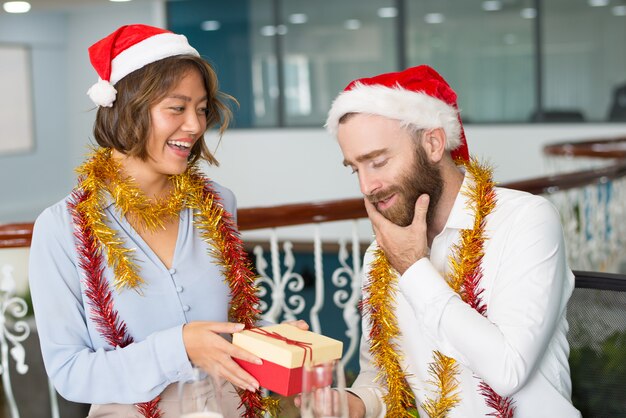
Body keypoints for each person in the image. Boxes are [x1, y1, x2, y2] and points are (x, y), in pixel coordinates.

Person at [28, 24, 302, 418]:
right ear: (127, 109)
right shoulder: (62, 228)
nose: (194, 125)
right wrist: (179, 347)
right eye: (177, 108)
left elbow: (220, 327)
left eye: (202, 109)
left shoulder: (220, 203)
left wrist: (270, 341)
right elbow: (70, 373)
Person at [324, 65, 581, 417]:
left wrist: (414, 268)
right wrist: (354, 404)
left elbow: (509, 370)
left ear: (433, 142)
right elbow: (384, 373)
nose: (366, 186)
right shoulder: (382, 255)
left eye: (378, 161)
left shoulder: (525, 220)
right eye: (356, 168)